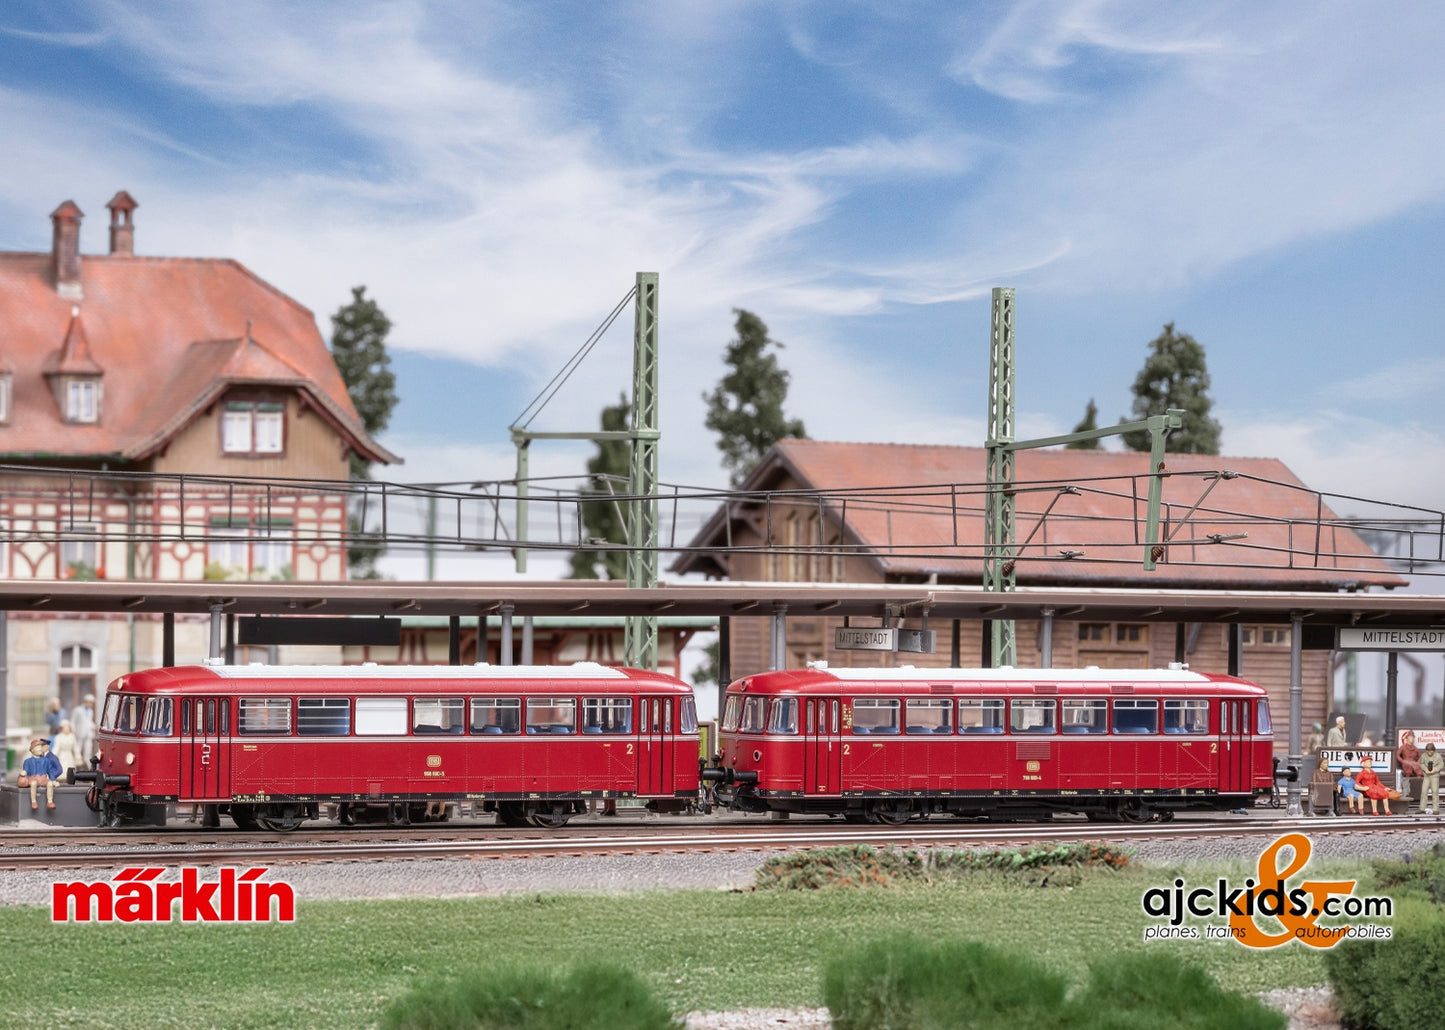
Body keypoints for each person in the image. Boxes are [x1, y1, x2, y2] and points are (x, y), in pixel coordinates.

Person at [19, 737, 64, 812]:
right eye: (37, 748)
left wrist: (53, 780)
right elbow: (26, 770)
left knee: (49, 784)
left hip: (43, 778)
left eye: (40, 747)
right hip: (33, 778)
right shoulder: (28, 761)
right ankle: (34, 801)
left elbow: (50, 771)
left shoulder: (46, 760)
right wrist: (24, 772)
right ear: (32, 750)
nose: (40, 749)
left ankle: (50, 802)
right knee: (33, 784)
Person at [69, 694, 96, 766]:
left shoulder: (90, 711)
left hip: (88, 733)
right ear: (86, 702)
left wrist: (93, 725)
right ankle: (75, 765)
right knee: (78, 749)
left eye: (92, 703)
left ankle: (88, 764)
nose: (91, 704)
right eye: (90, 702)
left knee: (88, 750)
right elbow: (72, 721)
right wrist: (73, 730)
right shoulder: (78, 710)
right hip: (80, 733)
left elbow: (89, 721)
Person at [1419, 743, 1442, 817]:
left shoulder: (1438, 756)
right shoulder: (1424, 755)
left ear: (1433, 751)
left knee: (1435, 792)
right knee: (1424, 791)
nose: (1429, 753)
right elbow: (1421, 763)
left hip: (1434, 776)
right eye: (1428, 751)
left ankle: (1435, 809)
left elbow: (1441, 764)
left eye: (1431, 751)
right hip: (1426, 776)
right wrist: (1425, 769)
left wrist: (1435, 769)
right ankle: (1422, 808)